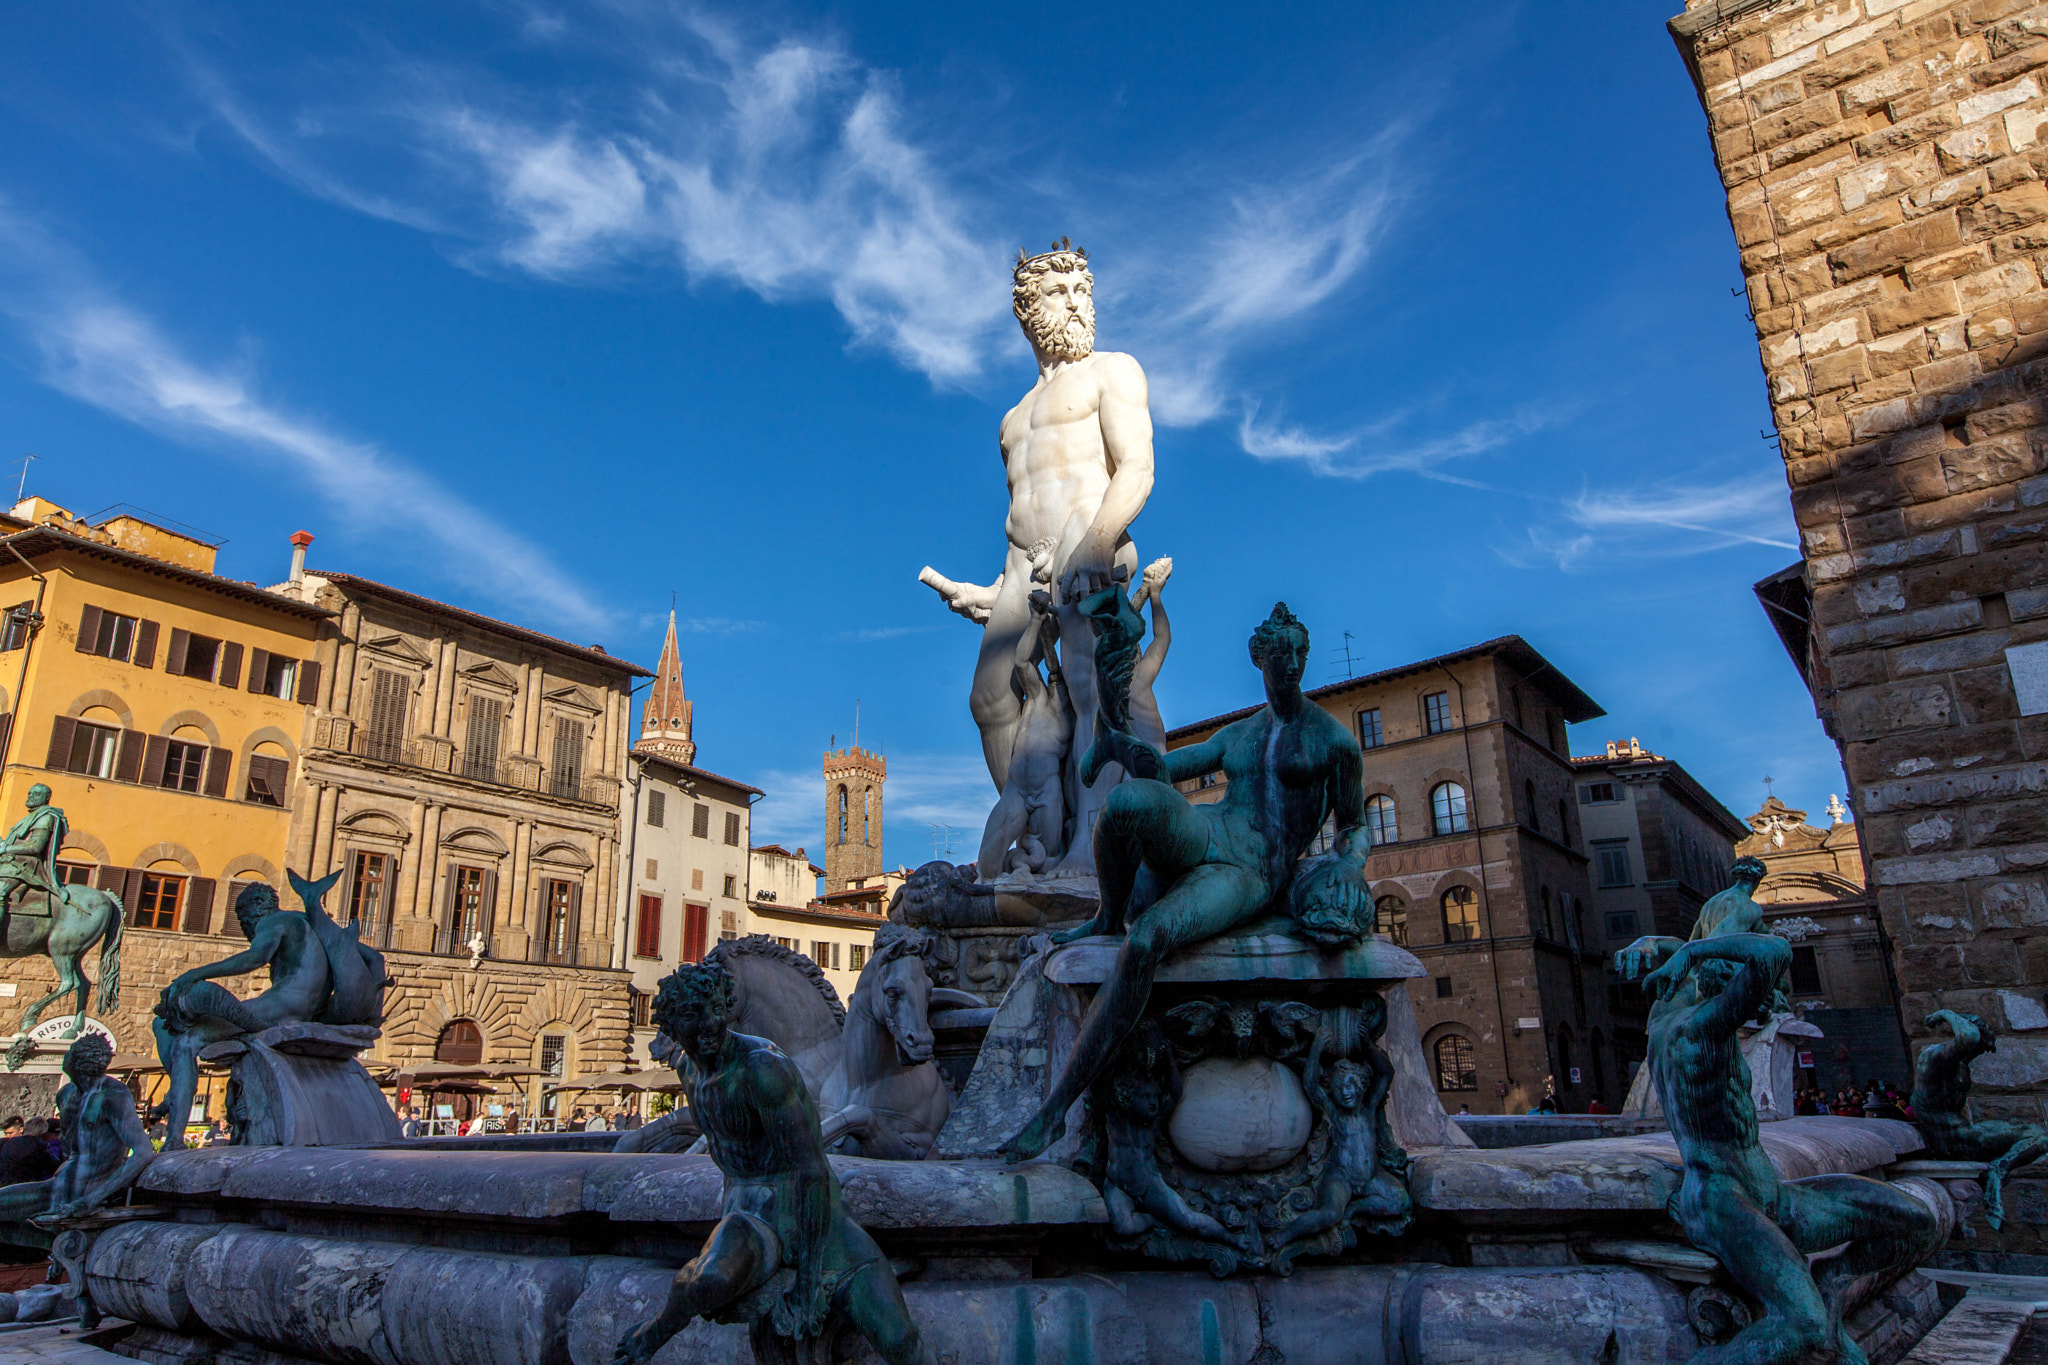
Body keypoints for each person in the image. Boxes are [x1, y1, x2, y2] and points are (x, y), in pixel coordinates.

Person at [999, 603, 1372, 1162]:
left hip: (1252, 870)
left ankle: (1056, 1111)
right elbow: (1165, 769)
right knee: (1125, 803)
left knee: (1147, 937)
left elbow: (1356, 829)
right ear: (1259, 660)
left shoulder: (1333, 743)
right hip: (1209, 830)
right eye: (1280, 653)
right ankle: (1104, 917)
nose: (1291, 663)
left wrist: (1346, 865)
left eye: (1299, 653)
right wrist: (1117, 739)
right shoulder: (1241, 733)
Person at [918, 241, 1158, 876]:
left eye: (1084, 291)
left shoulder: (1115, 370)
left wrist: (1100, 540)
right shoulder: (1013, 419)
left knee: (1091, 695)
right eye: (1060, 292)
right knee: (990, 700)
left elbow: (1136, 465)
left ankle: (1094, 852)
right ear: (1028, 310)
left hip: (1090, 542)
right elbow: (1026, 505)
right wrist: (993, 589)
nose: (1077, 304)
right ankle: (1035, 835)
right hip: (1024, 564)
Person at [1626, 932, 1938, 1364]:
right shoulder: (1699, 1027)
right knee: (1804, 1328)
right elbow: (1774, 952)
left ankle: (1833, 1278)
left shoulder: (1673, 1019)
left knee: (1917, 1221)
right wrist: (1693, 950)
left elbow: (1674, 971)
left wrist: (1666, 951)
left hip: (1768, 1193)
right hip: (1722, 1199)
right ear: (1714, 982)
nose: (1766, 999)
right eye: (1751, 986)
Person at [609, 964, 931, 1365]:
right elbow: (726, 1158)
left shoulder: (761, 1068)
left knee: (902, 1341)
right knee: (708, 1281)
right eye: (694, 1013)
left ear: (727, 1007)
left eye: (715, 1009)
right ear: (673, 1026)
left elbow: (811, 1170)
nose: (709, 1024)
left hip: (815, 1214)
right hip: (752, 1214)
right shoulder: (688, 1072)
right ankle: (655, 1330)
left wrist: (810, 1282)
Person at [0, 784, 68, 939]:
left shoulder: (44, 817)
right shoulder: (31, 816)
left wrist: (5, 848)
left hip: (26, 866)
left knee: (0, 893)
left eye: (36, 794)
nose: (31, 796)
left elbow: (35, 847)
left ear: (46, 798)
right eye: (29, 793)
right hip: (11, 863)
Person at [0, 1114, 55, 1186]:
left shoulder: (7, 1142)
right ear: (42, 1132)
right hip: (26, 1184)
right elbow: (52, 1164)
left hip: (5, 1182)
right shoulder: (39, 1144)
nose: (8, 1136)